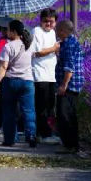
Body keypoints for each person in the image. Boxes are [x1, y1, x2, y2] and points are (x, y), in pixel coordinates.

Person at [0, 19, 36, 147]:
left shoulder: (8, 46)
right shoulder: (29, 45)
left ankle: (10, 139)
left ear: (13, 32)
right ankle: (31, 136)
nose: (6, 32)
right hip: (27, 82)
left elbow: (3, 67)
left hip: (11, 81)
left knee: (9, 111)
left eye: (8, 29)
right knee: (28, 111)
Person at [54, 19, 84, 153]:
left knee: (64, 114)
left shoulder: (69, 45)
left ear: (63, 31)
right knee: (69, 114)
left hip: (69, 85)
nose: (56, 32)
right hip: (73, 84)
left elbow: (69, 67)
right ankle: (72, 145)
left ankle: (70, 145)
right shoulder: (68, 43)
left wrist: (64, 85)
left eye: (57, 29)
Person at [30, 9, 60, 144]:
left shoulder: (53, 33)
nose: (48, 24)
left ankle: (46, 132)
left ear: (55, 22)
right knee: (42, 106)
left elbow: (51, 51)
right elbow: (37, 52)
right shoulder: (36, 31)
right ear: (40, 21)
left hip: (51, 74)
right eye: (45, 21)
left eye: (51, 21)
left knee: (50, 106)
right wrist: (54, 49)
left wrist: (56, 51)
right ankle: (43, 134)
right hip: (40, 74)